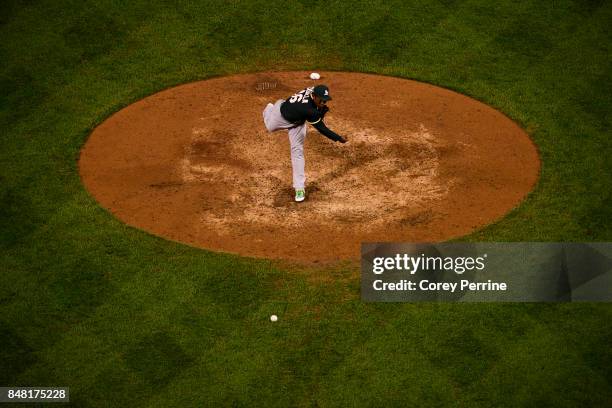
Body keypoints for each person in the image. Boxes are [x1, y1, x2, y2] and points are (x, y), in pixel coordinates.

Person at [262, 84, 347, 202]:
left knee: (297, 152)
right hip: (280, 116)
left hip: (298, 122)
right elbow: (322, 128)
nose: (323, 102)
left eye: (325, 100)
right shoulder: (308, 109)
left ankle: (299, 188)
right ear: (313, 96)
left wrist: (320, 110)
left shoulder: (313, 94)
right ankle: (270, 107)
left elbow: (314, 89)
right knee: (269, 127)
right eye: (321, 100)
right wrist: (338, 138)